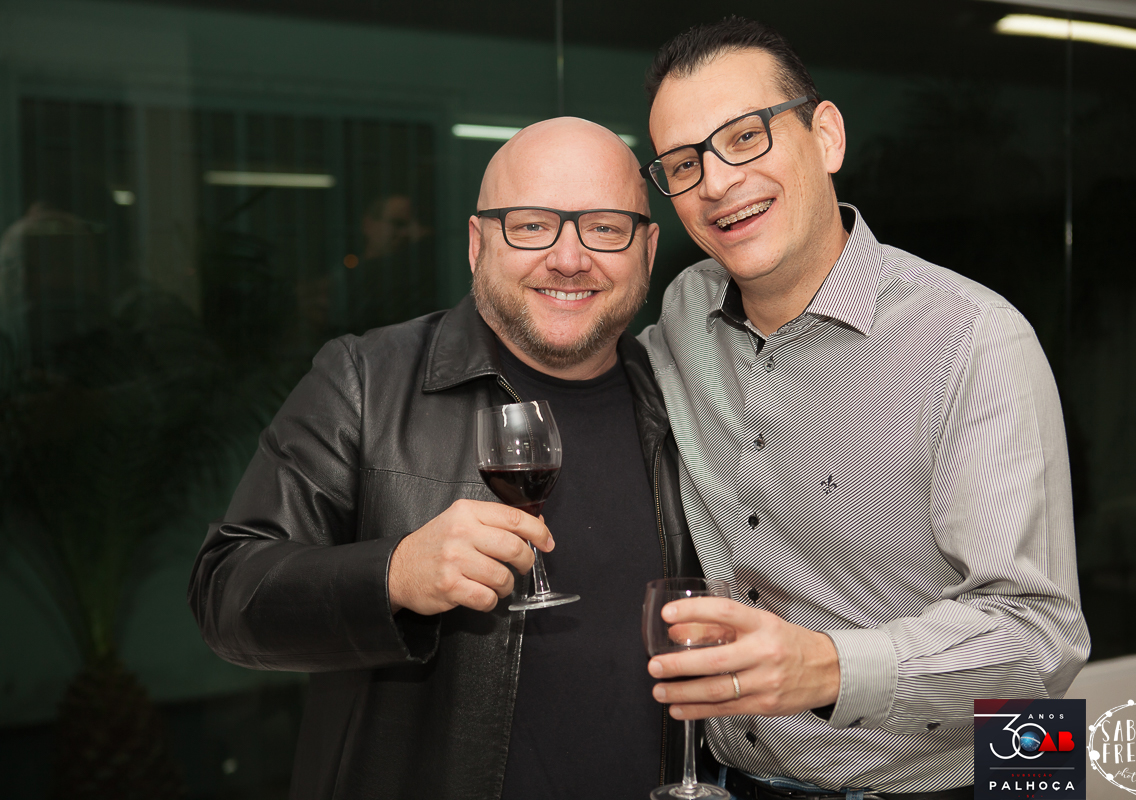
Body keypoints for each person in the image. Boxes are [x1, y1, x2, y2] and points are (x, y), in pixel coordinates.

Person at [636, 18, 1090, 800]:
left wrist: (825, 666)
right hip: (735, 780)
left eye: (744, 138)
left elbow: (1041, 636)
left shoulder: (973, 339)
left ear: (827, 136)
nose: (715, 182)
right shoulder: (684, 313)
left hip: (953, 785)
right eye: (683, 164)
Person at [189, 117, 701, 800]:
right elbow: (227, 592)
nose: (570, 258)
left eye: (605, 228)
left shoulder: (686, 402)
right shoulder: (366, 382)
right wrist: (395, 575)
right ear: (476, 242)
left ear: (647, 247)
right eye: (530, 225)